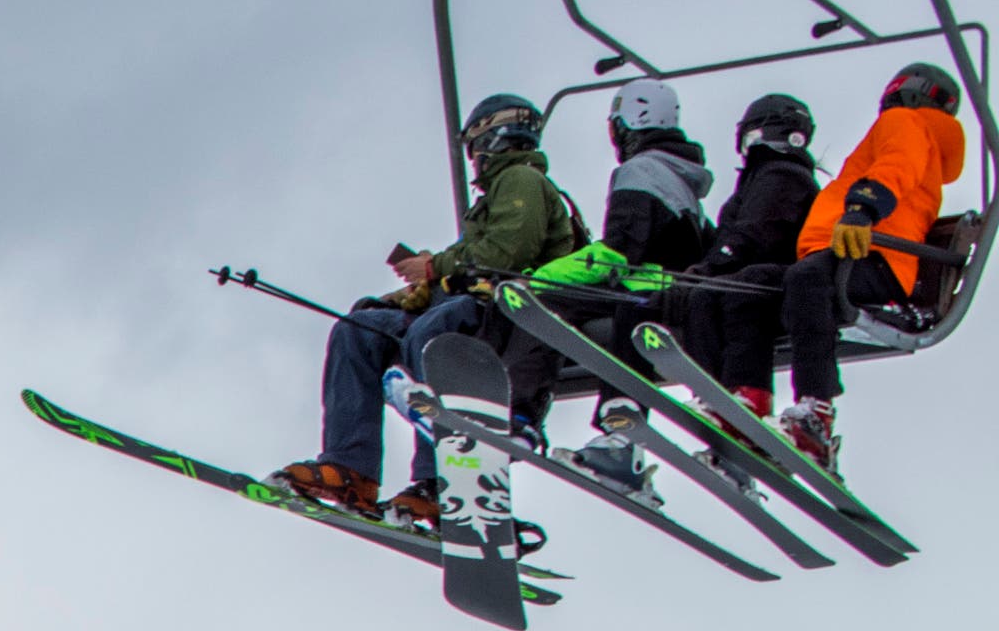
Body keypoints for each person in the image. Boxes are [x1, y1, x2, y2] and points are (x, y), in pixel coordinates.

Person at [279, 91, 584, 521]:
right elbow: (465, 263)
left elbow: (506, 253)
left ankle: (438, 481)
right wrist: (411, 294)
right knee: (358, 330)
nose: (474, 160)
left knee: (431, 335)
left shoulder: (521, 179)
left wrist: (433, 267)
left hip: (507, 315)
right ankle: (350, 467)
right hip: (466, 306)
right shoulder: (492, 200)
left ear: (490, 137)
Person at [758, 62, 969, 471]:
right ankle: (745, 399)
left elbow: (897, 166)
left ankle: (815, 415)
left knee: (807, 280)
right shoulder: (917, 130)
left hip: (875, 258)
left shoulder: (906, 122)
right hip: (852, 255)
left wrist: (862, 210)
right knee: (757, 286)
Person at [503, 78, 712, 483]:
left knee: (544, 306)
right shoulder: (681, 175)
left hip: (645, 290)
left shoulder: (641, 170)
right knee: (581, 301)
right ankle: (618, 439)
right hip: (668, 291)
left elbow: (618, 251)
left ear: (630, 122)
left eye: (615, 126)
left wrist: (538, 280)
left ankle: (521, 418)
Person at [660, 93, 824, 416]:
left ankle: (745, 391)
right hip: (759, 274)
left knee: (727, 293)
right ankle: (717, 393)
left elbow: (756, 232)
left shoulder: (781, 174)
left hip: (775, 278)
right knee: (708, 295)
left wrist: (710, 267)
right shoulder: (766, 176)